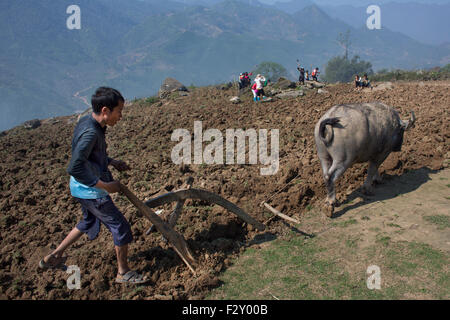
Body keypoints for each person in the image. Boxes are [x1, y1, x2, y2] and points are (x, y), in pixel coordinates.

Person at [39, 87, 149, 284]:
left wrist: (112, 162)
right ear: (105, 110)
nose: (121, 116)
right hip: (90, 190)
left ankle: (53, 257)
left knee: (88, 222)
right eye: (119, 111)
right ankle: (123, 273)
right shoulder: (91, 132)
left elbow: (92, 155)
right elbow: (75, 166)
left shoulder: (88, 122)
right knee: (121, 226)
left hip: (80, 188)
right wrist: (105, 186)